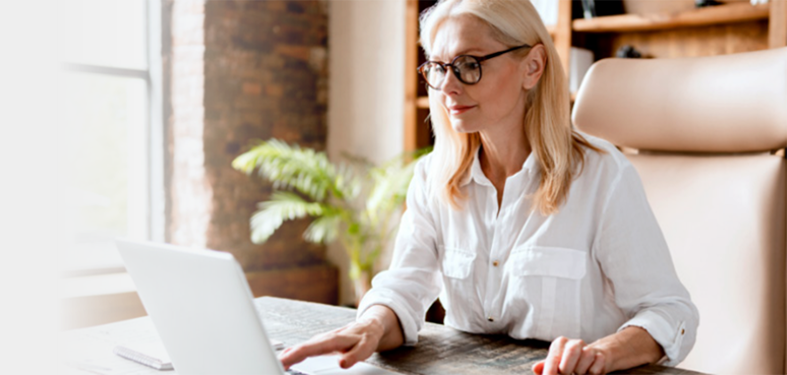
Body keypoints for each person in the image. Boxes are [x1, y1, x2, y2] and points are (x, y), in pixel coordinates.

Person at [276, 1, 699, 375]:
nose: (448, 88)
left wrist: (603, 353)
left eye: (469, 65)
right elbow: (403, 288)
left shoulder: (602, 176)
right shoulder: (433, 177)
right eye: (439, 68)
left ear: (532, 67)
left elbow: (670, 311)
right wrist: (368, 326)